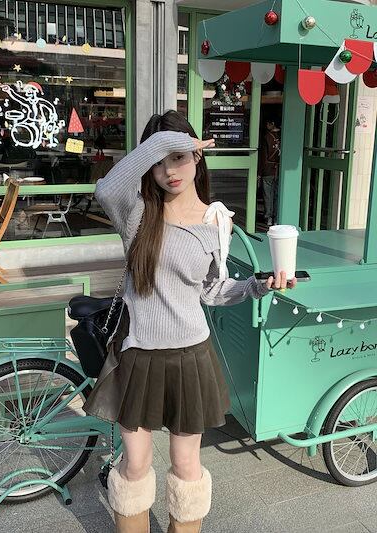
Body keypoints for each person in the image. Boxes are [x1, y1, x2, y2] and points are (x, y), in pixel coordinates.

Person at [83, 110, 296, 533]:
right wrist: (165, 142)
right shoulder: (136, 213)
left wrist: (257, 286)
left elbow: (212, 290)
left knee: (186, 466)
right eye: (159, 160)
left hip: (189, 356)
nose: (169, 170)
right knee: (135, 465)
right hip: (138, 354)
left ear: (198, 157)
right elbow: (106, 187)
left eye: (179, 157)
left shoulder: (217, 221)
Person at [258, 117, 281, 226]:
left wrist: (259, 172)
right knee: (277, 195)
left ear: (272, 123)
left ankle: (269, 217)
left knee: (268, 195)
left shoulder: (267, 137)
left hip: (268, 169)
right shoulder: (283, 135)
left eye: (267, 124)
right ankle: (276, 218)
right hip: (280, 169)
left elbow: (263, 157)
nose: (266, 126)